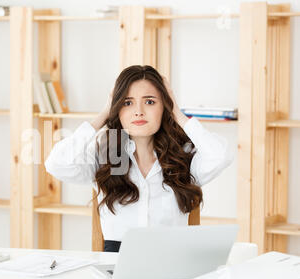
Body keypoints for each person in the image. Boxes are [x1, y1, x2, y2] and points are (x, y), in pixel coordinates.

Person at [44, 65, 234, 252]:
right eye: (127, 103)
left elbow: (221, 155)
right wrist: (103, 114)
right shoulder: (104, 158)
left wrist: (177, 112)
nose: (138, 111)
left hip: (171, 265)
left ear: (164, 107)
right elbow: (56, 163)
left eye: (150, 102)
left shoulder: (183, 157)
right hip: (116, 266)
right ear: (117, 109)